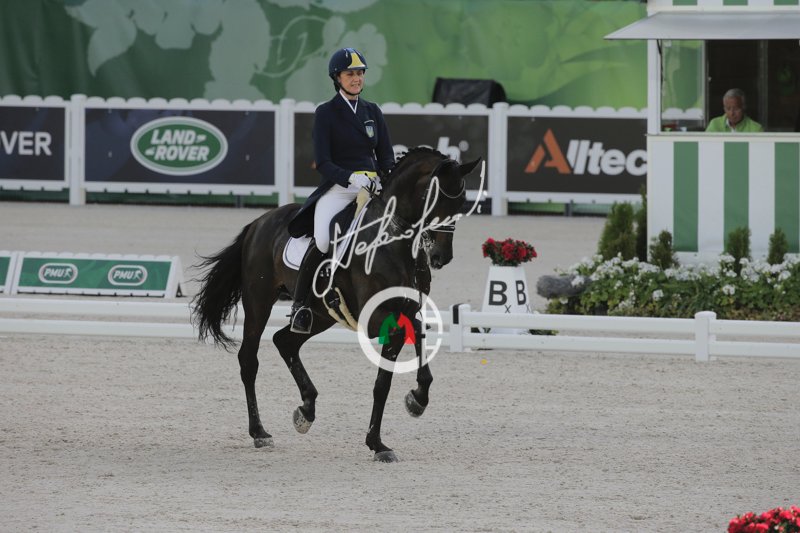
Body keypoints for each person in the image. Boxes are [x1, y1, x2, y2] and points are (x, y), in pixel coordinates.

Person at [286, 47, 395, 334]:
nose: (357, 78)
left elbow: (386, 155)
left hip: (372, 187)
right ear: (337, 78)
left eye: (360, 73)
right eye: (350, 74)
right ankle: (300, 307)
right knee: (323, 240)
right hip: (339, 188)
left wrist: (385, 177)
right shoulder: (326, 113)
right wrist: (351, 178)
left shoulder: (372, 111)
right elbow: (323, 161)